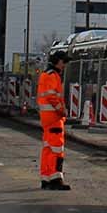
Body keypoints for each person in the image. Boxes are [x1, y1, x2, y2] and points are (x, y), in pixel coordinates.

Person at [36, 51, 70, 191]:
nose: (65, 65)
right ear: (58, 61)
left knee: (48, 148)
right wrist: (61, 110)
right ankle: (56, 179)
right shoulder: (52, 76)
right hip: (54, 117)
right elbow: (52, 96)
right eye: (64, 62)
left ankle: (46, 178)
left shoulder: (46, 74)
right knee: (56, 148)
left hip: (47, 118)